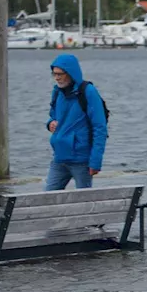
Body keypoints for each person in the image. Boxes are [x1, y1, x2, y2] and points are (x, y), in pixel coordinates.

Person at [45, 54, 108, 191]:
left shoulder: (88, 92)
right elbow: (53, 115)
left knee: (85, 201)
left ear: (71, 73)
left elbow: (100, 127)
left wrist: (95, 161)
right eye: (54, 74)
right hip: (59, 157)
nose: (56, 78)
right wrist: (50, 123)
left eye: (60, 74)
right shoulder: (57, 92)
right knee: (46, 198)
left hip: (81, 160)